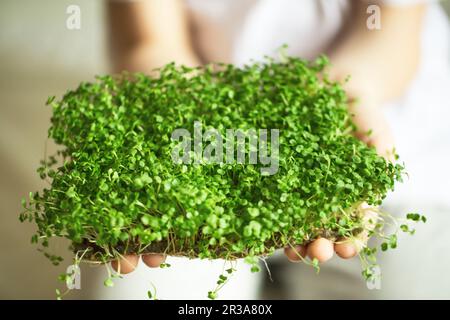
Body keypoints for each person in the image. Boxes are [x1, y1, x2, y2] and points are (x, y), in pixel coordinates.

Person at [81, 0, 449, 299]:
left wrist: (345, 92)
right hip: (202, 151)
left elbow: (388, 31)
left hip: (393, 158)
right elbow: (149, 41)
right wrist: (171, 100)